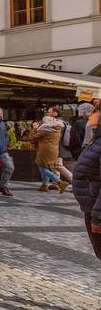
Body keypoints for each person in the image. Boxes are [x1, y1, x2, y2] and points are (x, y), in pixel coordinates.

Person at [72, 106, 101, 261]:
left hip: (96, 207)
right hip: (91, 205)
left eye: (93, 112)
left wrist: (97, 217)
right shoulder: (96, 139)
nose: (89, 116)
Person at [29, 112, 70, 192]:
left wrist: (34, 128)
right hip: (54, 150)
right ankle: (44, 185)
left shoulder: (45, 130)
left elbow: (32, 136)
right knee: (44, 167)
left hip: (44, 151)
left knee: (42, 168)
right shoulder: (57, 129)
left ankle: (60, 182)